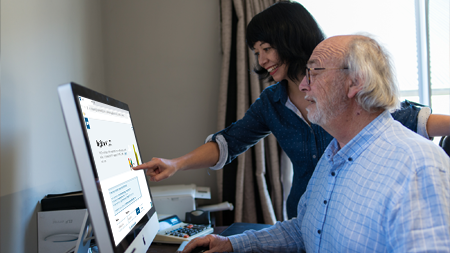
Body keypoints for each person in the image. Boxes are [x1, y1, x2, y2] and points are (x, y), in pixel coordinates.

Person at [134, 1, 450, 219]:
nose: (261, 61)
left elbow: (413, 119)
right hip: (301, 219)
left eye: (267, 49)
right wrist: (176, 164)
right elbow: (229, 141)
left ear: (290, 38)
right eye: (256, 53)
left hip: (351, 219)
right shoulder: (272, 102)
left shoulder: (346, 91)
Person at [182, 34, 450, 253]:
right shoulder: (332, 155)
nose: (304, 86)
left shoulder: (417, 167)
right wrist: (232, 243)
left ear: (354, 82)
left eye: (314, 73)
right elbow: (305, 229)